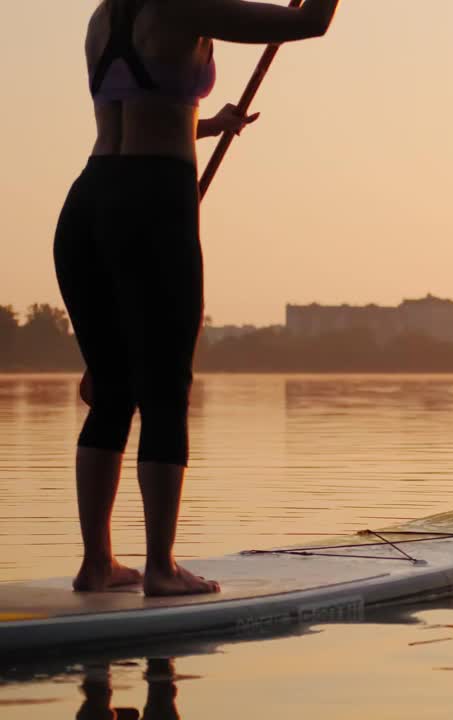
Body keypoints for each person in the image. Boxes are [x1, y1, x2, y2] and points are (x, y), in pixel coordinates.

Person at [54, 0, 341, 597]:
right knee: (164, 389)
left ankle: (96, 565)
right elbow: (309, 22)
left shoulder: (105, 17)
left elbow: (136, 107)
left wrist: (208, 125)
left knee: (111, 392)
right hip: (154, 202)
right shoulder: (186, 6)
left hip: (89, 203)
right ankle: (161, 568)